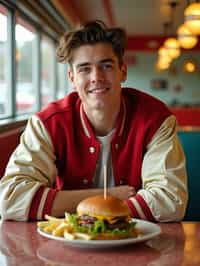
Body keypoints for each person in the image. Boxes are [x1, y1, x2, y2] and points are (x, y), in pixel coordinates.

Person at [0, 20, 188, 222]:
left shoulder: (155, 119)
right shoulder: (47, 123)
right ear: (72, 77)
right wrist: (112, 197)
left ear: (122, 71)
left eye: (106, 66)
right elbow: (9, 199)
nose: (96, 77)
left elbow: (171, 201)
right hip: (68, 244)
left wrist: (73, 206)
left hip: (135, 240)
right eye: (84, 69)